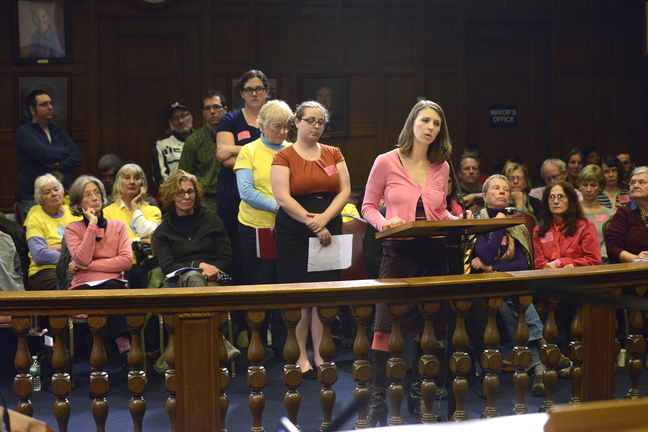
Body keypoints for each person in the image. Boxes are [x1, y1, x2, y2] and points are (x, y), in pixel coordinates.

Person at [361, 100, 457, 426]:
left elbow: (440, 212)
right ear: (412, 123)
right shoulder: (386, 161)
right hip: (397, 253)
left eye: (436, 124)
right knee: (384, 328)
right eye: (425, 121)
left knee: (424, 332)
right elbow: (368, 206)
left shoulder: (441, 166)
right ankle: (377, 402)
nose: (430, 128)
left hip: (432, 254)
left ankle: (419, 398)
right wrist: (382, 223)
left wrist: (459, 220)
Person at [270, 100, 350, 379]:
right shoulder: (284, 156)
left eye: (320, 122)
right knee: (301, 296)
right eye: (310, 121)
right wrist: (313, 223)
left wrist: (324, 219)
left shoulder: (333, 153)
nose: (316, 126)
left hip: (329, 225)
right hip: (294, 230)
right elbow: (282, 197)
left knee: (323, 295)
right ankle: (300, 355)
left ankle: (320, 354)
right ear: (297, 122)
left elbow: (344, 192)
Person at [467, 174, 547, 395]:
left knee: (509, 300)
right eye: (496, 188)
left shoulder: (518, 224)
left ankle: (536, 366)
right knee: (508, 299)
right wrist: (499, 224)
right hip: (482, 287)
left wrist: (492, 268)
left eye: (505, 189)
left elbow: (522, 263)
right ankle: (541, 352)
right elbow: (485, 252)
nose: (502, 191)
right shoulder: (476, 221)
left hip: (509, 284)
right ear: (484, 196)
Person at [233, 99, 292, 357]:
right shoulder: (249, 150)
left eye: (287, 127)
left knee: (285, 286)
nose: (282, 132)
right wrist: (279, 207)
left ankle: (283, 348)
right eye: (276, 126)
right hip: (255, 229)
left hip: (288, 230)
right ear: (262, 125)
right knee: (260, 286)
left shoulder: (293, 150)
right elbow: (246, 191)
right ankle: (257, 347)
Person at [64, 175, 132, 365]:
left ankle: (115, 354)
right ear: (78, 203)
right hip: (83, 287)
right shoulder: (72, 229)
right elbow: (82, 257)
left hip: (113, 285)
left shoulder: (118, 226)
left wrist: (88, 266)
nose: (95, 197)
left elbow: (126, 261)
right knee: (111, 290)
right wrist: (92, 225)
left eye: (97, 193)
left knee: (113, 287)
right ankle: (121, 348)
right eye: (88, 194)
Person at [216, 70, 270, 283]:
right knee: (235, 250)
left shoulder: (275, 119)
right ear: (241, 93)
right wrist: (264, 153)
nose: (254, 94)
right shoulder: (230, 119)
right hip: (233, 192)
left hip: (266, 191)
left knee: (264, 254)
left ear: (266, 91)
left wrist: (237, 150)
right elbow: (225, 158)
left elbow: (282, 155)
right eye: (249, 89)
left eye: (258, 89)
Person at [153, 170, 233, 287]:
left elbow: (226, 259)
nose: (187, 197)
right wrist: (198, 266)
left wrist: (210, 271)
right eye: (180, 193)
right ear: (172, 196)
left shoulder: (212, 221)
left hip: (212, 277)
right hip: (178, 280)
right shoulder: (163, 230)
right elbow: (168, 267)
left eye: (190, 191)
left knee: (198, 280)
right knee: (193, 277)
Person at [14, 89, 82, 213]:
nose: (50, 107)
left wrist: (59, 164)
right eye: (44, 104)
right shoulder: (24, 132)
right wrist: (66, 150)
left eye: (51, 103)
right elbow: (45, 155)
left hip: (62, 196)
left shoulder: (57, 131)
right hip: (35, 199)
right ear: (32, 110)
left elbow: (77, 156)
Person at [103, 163, 162, 287]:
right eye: (127, 178)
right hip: (120, 265)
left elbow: (149, 235)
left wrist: (135, 206)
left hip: (149, 263)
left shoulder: (153, 210)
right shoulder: (107, 212)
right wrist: (137, 242)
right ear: (119, 182)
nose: (132, 182)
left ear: (142, 184)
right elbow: (111, 244)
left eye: (136, 178)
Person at [24, 174, 80, 291]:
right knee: (69, 283)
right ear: (40, 199)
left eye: (56, 189)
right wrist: (69, 258)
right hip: (44, 271)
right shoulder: (35, 218)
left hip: (76, 266)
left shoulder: (73, 213)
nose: (54, 194)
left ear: (62, 192)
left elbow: (84, 243)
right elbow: (39, 254)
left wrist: (56, 247)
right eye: (47, 192)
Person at [532, 180, 602, 269]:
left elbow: (594, 260)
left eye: (560, 196)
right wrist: (552, 268)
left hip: (579, 278)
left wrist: (561, 262)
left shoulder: (586, 227)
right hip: (549, 279)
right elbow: (539, 262)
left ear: (570, 200)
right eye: (551, 197)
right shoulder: (539, 230)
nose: (555, 201)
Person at [178, 90, 228, 214]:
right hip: (206, 200)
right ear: (203, 113)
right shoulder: (194, 140)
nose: (212, 112)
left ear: (225, 109)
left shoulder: (235, 136)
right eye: (208, 108)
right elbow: (184, 175)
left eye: (216, 107)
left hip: (232, 198)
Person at [606, 166, 648, 263]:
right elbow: (613, 248)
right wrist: (636, 258)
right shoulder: (623, 213)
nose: (635, 186)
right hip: (634, 268)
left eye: (641, 182)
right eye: (632, 183)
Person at [578, 165, 616, 263]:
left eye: (593, 185)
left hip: (605, 261)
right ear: (579, 186)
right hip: (578, 262)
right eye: (585, 185)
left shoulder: (611, 214)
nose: (589, 189)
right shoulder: (572, 213)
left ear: (601, 187)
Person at [153, 102, 194, 188]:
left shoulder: (201, 140)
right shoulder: (162, 144)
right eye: (176, 118)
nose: (181, 121)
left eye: (183, 116)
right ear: (171, 122)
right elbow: (159, 177)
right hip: (173, 194)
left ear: (191, 117)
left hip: (201, 195)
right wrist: (175, 193)